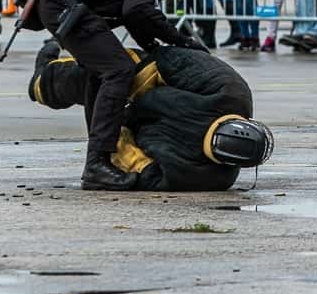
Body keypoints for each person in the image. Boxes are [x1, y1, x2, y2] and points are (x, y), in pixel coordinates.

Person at [32, 0, 239, 190]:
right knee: (117, 70)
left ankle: (104, 159)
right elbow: (137, 8)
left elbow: (131, 10)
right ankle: (96, 165)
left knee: (101, 72)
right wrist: (181, 40)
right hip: (64, 1)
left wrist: (154, 46)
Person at [29, 43, 273, 190]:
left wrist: (114, 133)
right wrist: (119, 89)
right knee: (108, 72)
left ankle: (43, 83)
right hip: (152, 82)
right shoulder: (230, 89)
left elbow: (140, 170)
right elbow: (167, 62)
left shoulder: (207, 177)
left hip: (140, 134)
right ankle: (44, 80)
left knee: (100, 83)